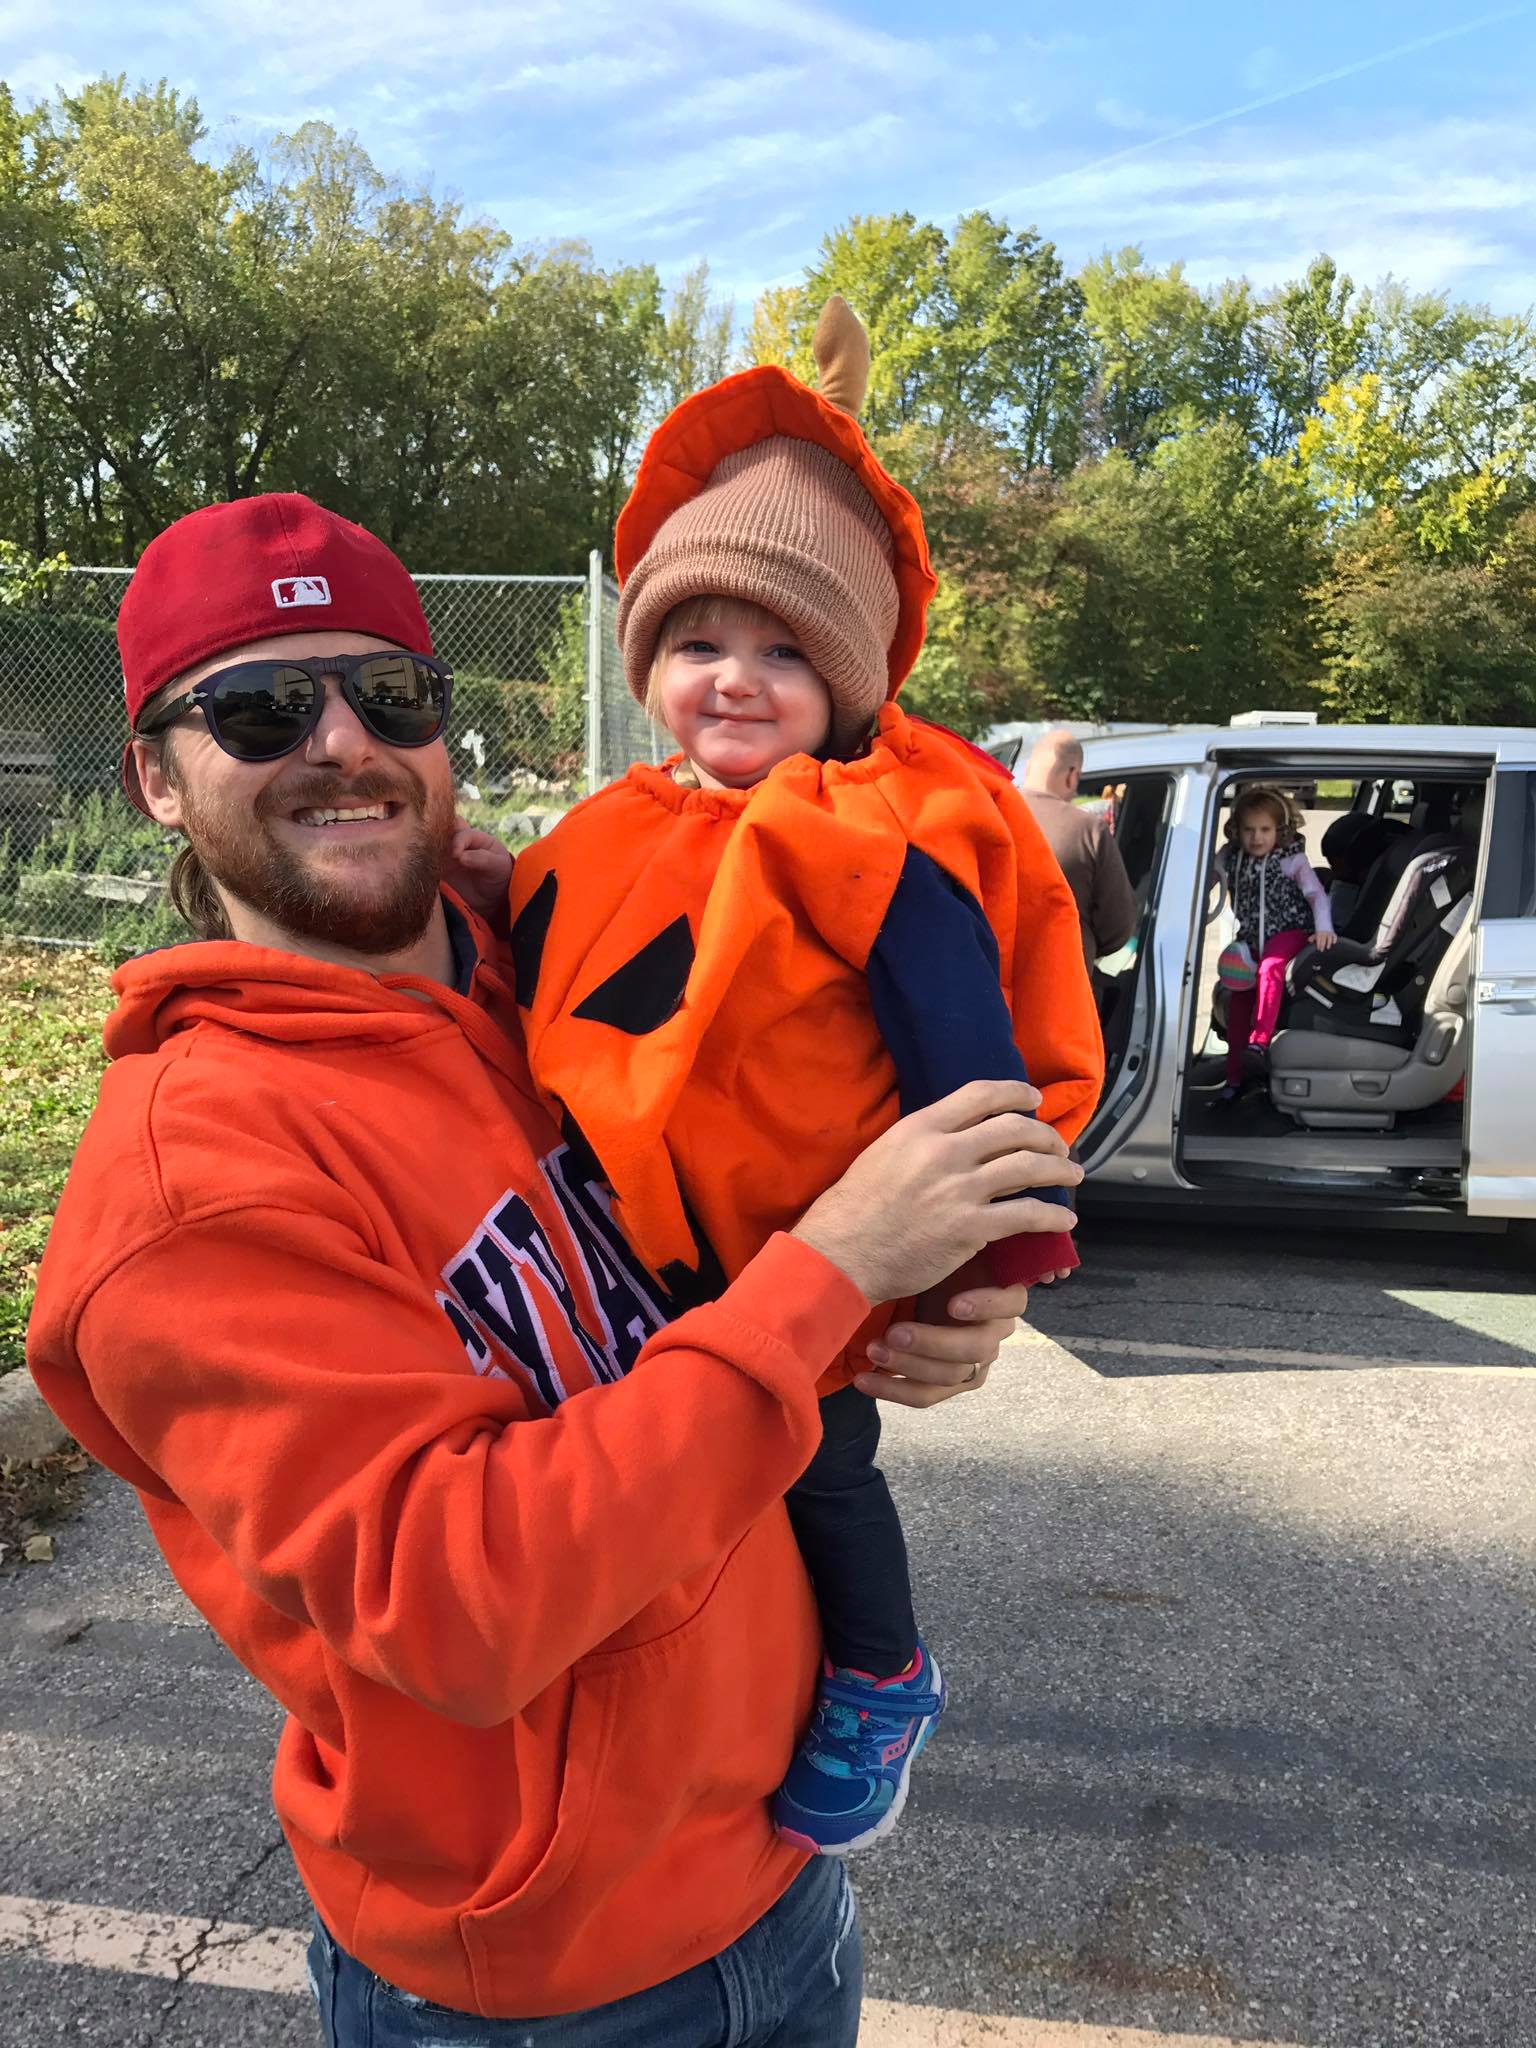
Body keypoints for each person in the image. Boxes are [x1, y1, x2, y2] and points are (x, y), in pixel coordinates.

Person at [26, 491, 1083, 2047]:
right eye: (257, 707)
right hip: (547, 1986)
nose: (339, 743)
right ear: (157, 782)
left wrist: (919, 1311)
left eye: (389, 695)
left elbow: (761, 1179)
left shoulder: (558, 953)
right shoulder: (191, 1192)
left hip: (779, 1870)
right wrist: (825, 1271)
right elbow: (457, 1605)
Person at [449, 298, 1104, 1859]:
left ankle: (883, 1671)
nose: (733, 678)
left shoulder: (870, 832)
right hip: (636, 1269)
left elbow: (972, 1062)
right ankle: (736, 1686)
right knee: (682, 1500)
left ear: (855, 679)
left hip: (811, 1265)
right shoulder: (612, 826)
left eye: (783, 651)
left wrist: (996, 1271)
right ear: (648, 659)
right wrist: (474, 884)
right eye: (696, 642)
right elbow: (554, 961)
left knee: (818, 1474)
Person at [1214, 783, 1336, 1103]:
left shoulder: (1291, 861)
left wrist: (1323, 928)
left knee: (1271, 969)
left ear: (1279, 830)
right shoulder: (1231, 857)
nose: (1256, 837)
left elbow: (1316, 896)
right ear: (1236, 830)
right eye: (1248, 829)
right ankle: (1234, 1076)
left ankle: (1259, 1041)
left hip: (1290, 931)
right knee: (1237, 995)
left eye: (1265, 829)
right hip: (1250, 937)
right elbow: (1206, 877)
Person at [1020, 730, 1139, 976]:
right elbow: (1119, 925)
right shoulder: (1088, 831)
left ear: (1029, 768)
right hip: (1061, 984)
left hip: (988, 987)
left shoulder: (990, 816)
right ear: (1072, 775)